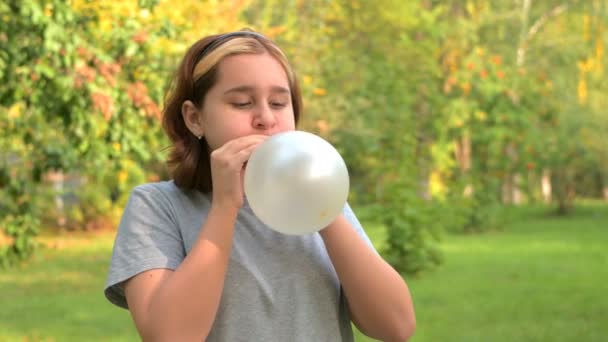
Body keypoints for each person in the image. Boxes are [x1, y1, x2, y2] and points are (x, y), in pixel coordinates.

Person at [104, 30, 416, 341]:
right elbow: (170, 337)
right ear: (195, 118)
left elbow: (395, 327)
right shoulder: (157, 206)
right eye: (242, 103)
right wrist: (225, 208)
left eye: (279, 103)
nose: (266, 118)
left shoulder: (323, 202)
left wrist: (322, 207)